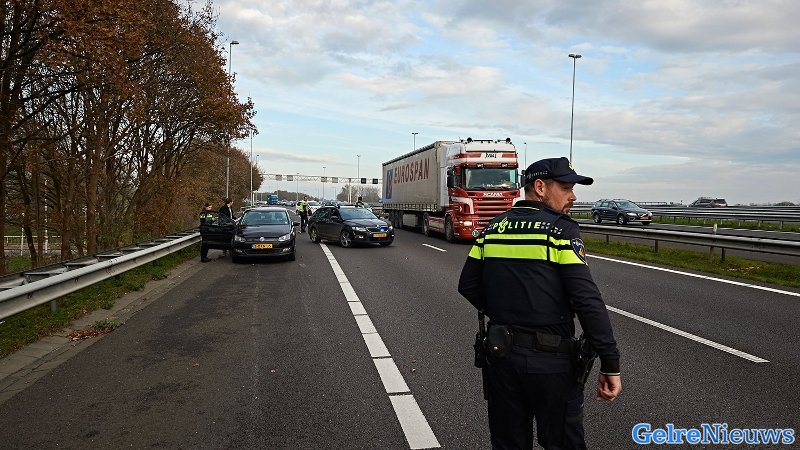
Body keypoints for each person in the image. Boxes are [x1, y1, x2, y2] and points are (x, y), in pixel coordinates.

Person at [458, 157, 622, 450]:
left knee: (509, 443)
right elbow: (586, 301)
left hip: (501, 359)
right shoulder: (561, 232)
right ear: (540, 187)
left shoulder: (493, 228)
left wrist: (504, 309)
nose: (573, 196)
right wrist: (610, 363)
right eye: (567, 188)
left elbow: (468, 285)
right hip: (552, 364)